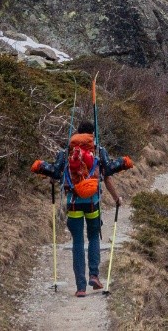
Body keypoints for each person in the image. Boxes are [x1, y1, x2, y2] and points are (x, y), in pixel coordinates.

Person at [32, 127, 133, 296]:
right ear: (91, 135)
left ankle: (80, 287)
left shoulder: (66, 152)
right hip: (93, 203)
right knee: (93, 237)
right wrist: (117, 199)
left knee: (77, 242)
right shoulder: (99, 151)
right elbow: (107, 175)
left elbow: (56, 174)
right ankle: (94, 275)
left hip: (73, 204)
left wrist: (50, 178)